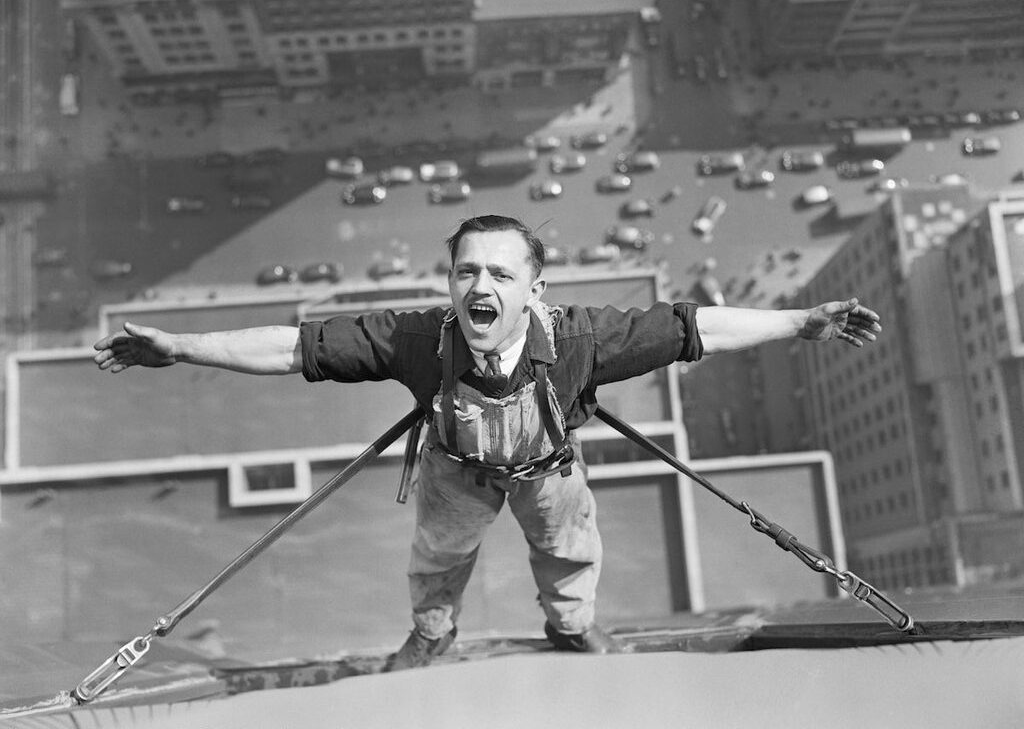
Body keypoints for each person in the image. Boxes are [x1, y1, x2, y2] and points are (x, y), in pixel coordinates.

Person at [93, 214, 881, 670]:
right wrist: (181, 347)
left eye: (502, 275)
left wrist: (801, 322)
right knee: (436, 561)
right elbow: (293, 348)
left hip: (547, 467)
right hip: (456, 472)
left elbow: (694, 327)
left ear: (534, 289)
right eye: (467, 272)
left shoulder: (583, 340)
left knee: (571, 550)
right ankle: (431, 637)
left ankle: (570, 626)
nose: (481, 288)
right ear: (450, 285)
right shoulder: (412, 339)